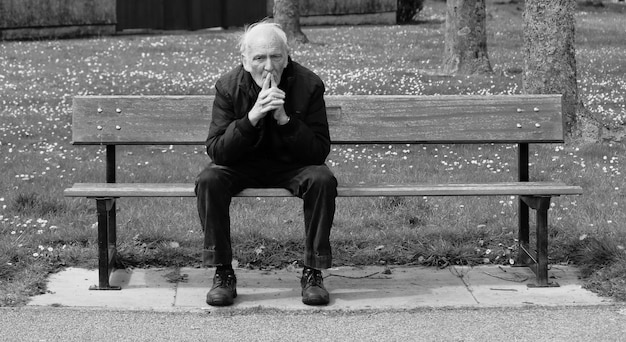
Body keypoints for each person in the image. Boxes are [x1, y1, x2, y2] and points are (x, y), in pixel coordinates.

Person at [195, 20, 337, 307]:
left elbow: (319, 151)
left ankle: (313, 271)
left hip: (292, 166)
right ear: (246, 62)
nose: (268, 66)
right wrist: (252, 117)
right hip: (242, 165)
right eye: (259, 58)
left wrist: (285, 120)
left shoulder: (309, 85)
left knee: (322, 179)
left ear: (287, 57)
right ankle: (223, 272)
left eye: (275, 56)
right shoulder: (228, 87)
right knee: (209, 179)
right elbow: (218, 151)